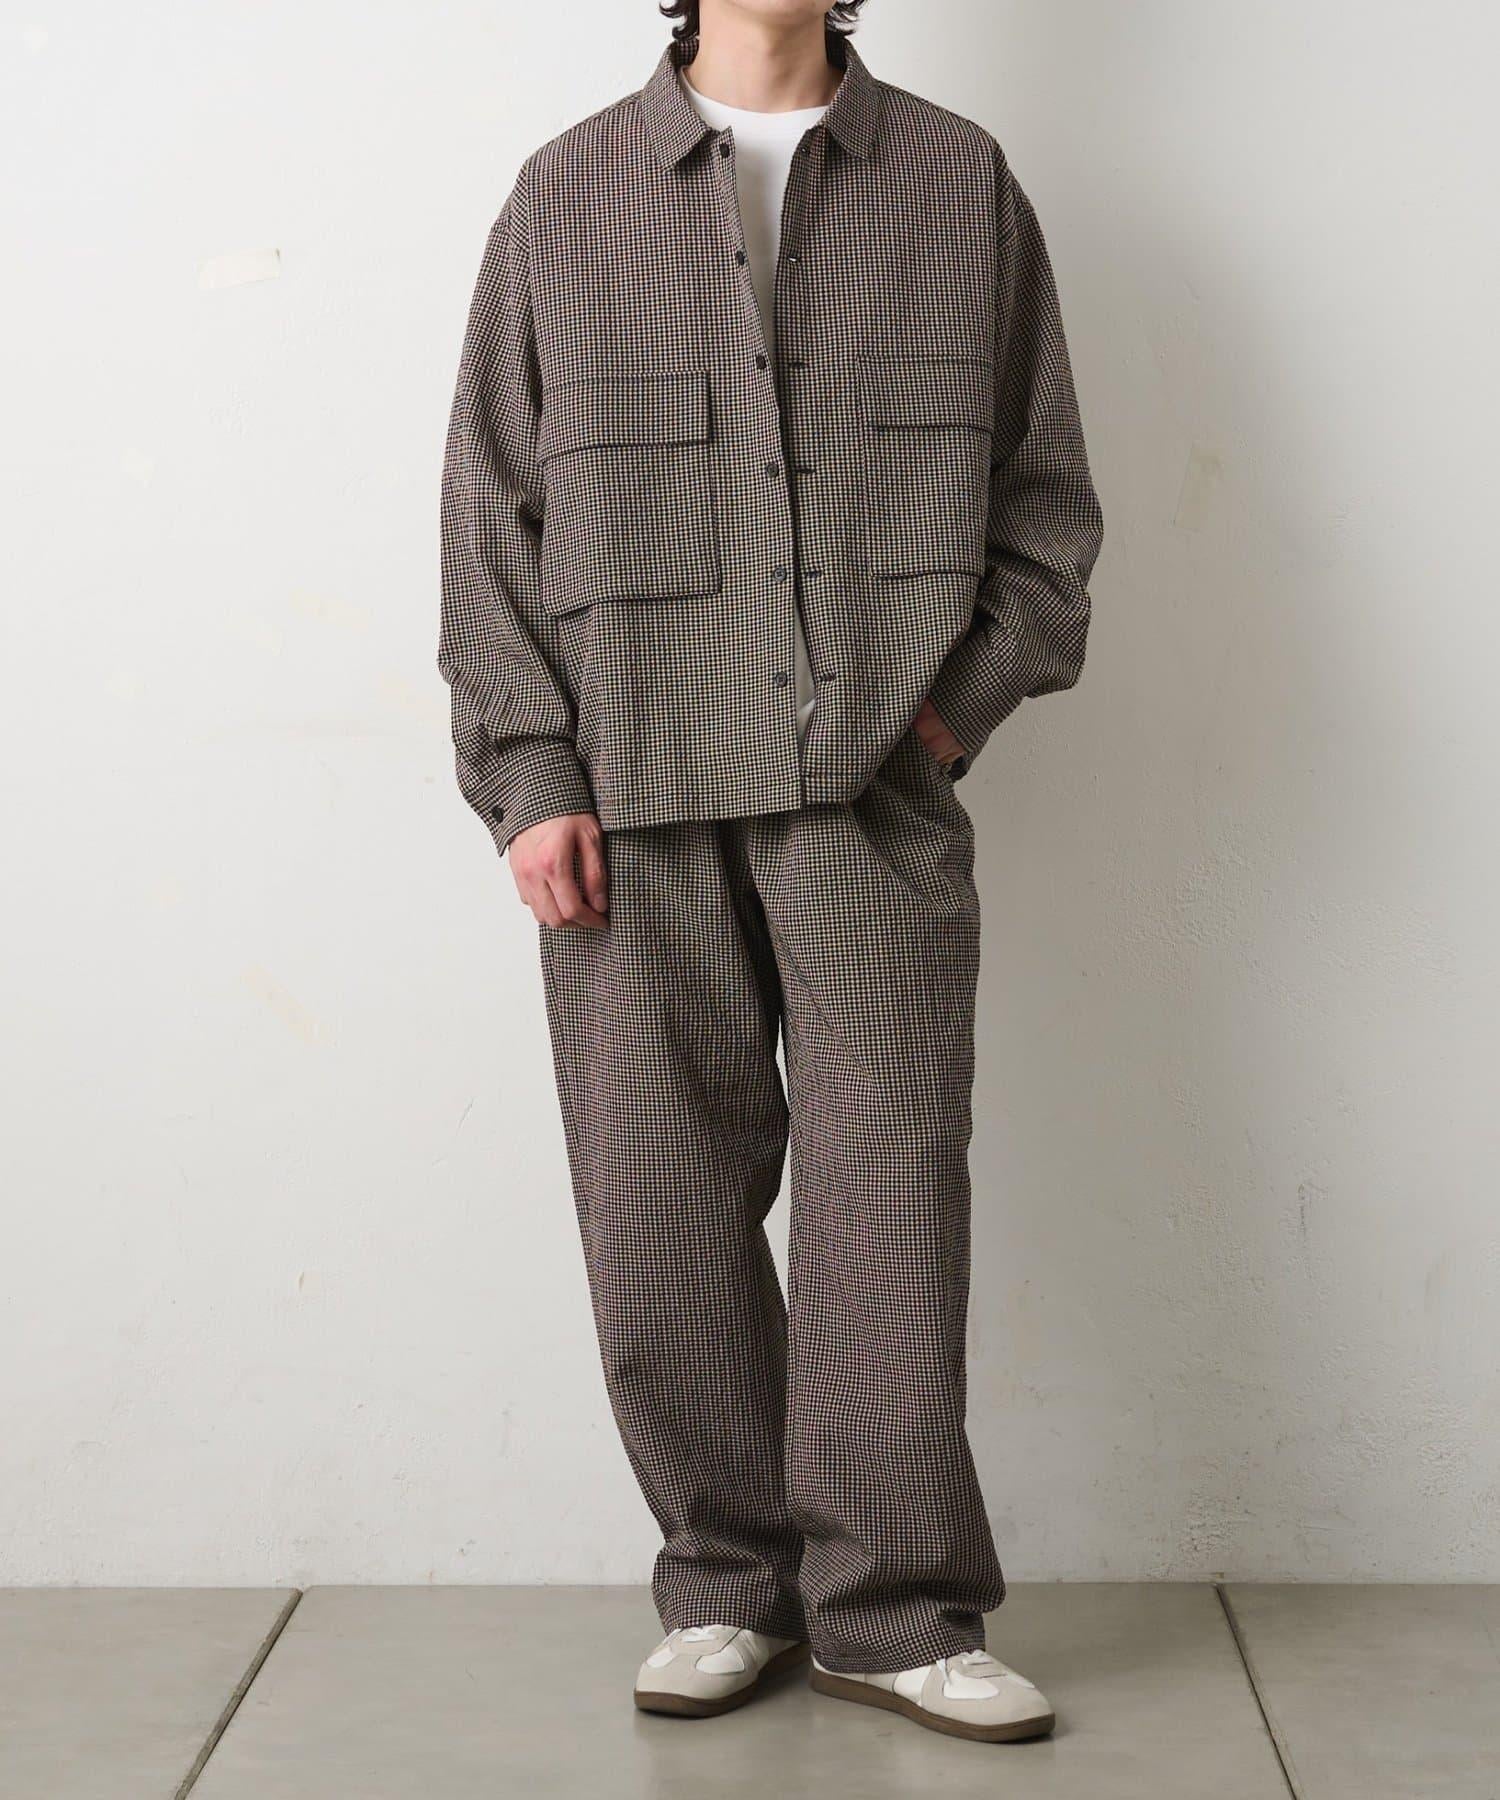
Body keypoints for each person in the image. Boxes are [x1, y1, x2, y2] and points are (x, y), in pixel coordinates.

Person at [438, 0, 1102, 1745]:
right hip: (633, 804)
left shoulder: (958, 189)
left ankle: (892, 1609)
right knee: (655, 1205)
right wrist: (529, 776)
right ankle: (727, 1584)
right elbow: (489, 518)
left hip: (870, 794)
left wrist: (946, 722)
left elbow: (1043, 515)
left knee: (890, 1201)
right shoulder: (565, 197)